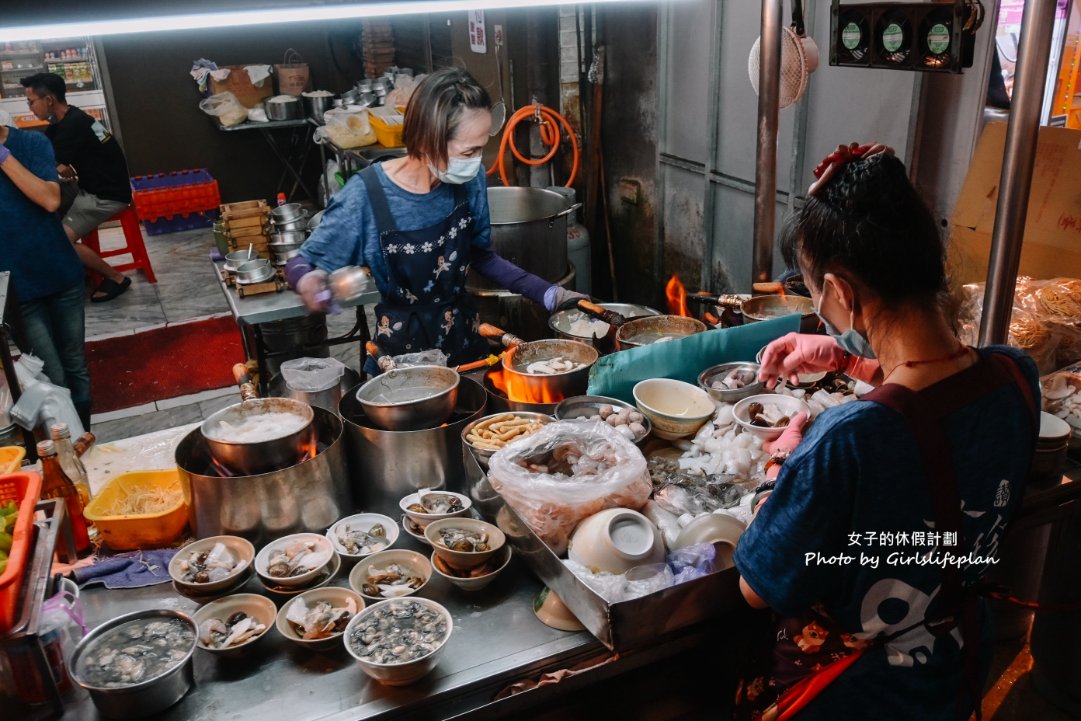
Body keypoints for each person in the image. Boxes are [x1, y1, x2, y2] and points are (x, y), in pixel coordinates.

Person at [732, 143, 1038, 720]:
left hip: (858, 695)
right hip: (958, 665)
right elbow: (938, 404)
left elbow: (757, 586)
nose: (821, 308)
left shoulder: (849, 438)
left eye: (815, 291)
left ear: (842, 293)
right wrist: (850, 362)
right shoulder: (1015, 377)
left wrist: (780, 470)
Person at [287, 67, 585, 371]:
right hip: (400, 363)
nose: (477, 161)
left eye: (481, 149)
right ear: (428, 139)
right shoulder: (366, 195)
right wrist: (309, 281)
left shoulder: (470, 181)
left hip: (464, 347)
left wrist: (548, 293)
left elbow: (481, 255)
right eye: (469, 150)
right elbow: (301, 264)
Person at [0, 110, 91, 428]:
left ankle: (85, 443)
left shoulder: (31, 143)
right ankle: (68, 450)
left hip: (60, 273)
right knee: (51, 375)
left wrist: (3, 157)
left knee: (75, 365)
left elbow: (50, 200)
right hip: (17, 289)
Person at [21, 72, 133, 303]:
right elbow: (51, 159)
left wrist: (56, 164)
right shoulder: (70, 120)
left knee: (59, 239)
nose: (30, 107)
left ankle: (116, 278)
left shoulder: (72, 127)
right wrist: (58, 164)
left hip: (106, 196)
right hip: (96, 188)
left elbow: (44, 167)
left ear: (49, 100)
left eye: (31, 102)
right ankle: (75, 268)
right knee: (50, 210)